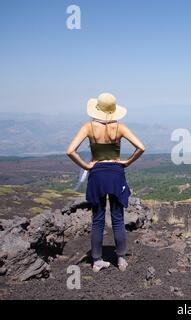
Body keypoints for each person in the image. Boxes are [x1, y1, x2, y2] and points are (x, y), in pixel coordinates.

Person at [66, 93, 145, 272]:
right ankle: (121, 260)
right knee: (118, 219)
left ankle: (96, 260)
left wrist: (86, 165)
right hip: (116, 174)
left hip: (97, 175)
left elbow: (70, 151)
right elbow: (141, 147)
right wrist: (127, 162)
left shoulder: (88, 127)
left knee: (98, 219)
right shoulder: (120, 128)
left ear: (97, 109)